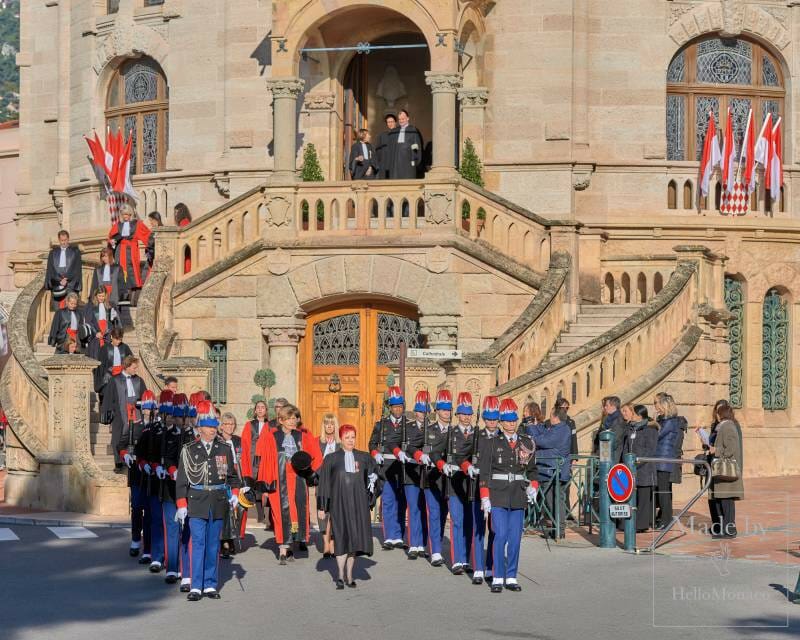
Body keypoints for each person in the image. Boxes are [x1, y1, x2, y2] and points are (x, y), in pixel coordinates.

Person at [175, 400, 240, 601]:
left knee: (213, 545)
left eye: (214, 426)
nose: (212, 430)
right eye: (208, 427)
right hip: (196, 500)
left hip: (218, 500)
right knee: (198, 544)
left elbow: (231, 476)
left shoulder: (224, 448)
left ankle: (210, 584)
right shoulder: (189, 449)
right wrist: (181, 505)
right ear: (199, 428)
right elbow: (182, 480)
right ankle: (196, 585)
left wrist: (236, 493)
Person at [478, 398, 538, 593]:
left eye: (514, 420)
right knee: (500, 535)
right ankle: (497, 576)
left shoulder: (526, 442)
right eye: (508, 420)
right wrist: (485, 497)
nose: (511, 424)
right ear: (501, 422)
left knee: (514, 538)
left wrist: (533, 486)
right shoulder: (491, 443)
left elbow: (533, 470)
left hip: (518, 495)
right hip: (498, 495)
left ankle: (511, 576)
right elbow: (484, 473)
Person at [257, 404, 323, 564]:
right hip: (278, 481)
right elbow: (264, 461)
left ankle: (291, 546)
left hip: (298, 480)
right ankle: (282, 548)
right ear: (280, 420)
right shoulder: (270, 436)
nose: (293, 421)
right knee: (280, 515)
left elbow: (315, 456)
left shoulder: (303, 436)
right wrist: (265, 485)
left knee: (297, 514)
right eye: (289, 418)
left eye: (295, 418)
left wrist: (310, 473)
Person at [316, 424, 380, 589]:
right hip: (339, 505)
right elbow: (323, 484)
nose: (351, 440)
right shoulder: (331, 459)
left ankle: (350, 575)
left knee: (355, 541)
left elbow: (374, 479)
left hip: (359, 505)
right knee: (341, 538)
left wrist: (371, 496)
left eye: (353, 437)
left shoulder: (364, 458)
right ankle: (339, 575)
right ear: (341, 439)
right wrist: (322, 507)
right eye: (347, 437)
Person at [410, 388, 451, 567]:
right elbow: (411, 447)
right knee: (433, 513)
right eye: (443, 409)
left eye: (449, 409)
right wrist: (420, 456)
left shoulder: (456, 431)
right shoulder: (428, 430)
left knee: (442, 514)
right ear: (437, 411)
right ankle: (435, 551)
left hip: (448, 480)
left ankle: (436, 543)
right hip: (430, 478)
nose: (446, 413)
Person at [135, 389, 173, 574]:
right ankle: (156, 555)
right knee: (155, 519)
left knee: (171, 522)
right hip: (154, 481)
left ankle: (170, 557)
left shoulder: (176, 433)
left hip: (171, 483)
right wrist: (146, 465)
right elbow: (140, 454)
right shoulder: (151, 430)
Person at [368, 386, 408, 550]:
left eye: (400, 406)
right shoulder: (381, 425)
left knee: (402, 502)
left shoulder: (408, 424)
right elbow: (371, 444)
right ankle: (389, 536)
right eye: (395, 406)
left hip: (403, 468)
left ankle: (399, 535)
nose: (398, 409)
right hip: (386, 467)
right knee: (388, 502)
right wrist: (375, 453)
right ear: (390, 408)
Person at [442, 391, 478, 575]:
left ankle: (467, 559)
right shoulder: (451, 433)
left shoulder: (478, 434)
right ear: (457, 415)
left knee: (469, 523)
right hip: (455, 484)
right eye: (462, 414)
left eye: (468, 414)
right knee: (457, 521)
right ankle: (457, 560)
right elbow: (439, 455)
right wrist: (443, 465)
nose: (466, 417)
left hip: (471, 485)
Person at [470, 395, 501, 585]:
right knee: (478, 530)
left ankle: (491, 566)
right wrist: (469, 466)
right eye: (488, 419)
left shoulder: (502, 437)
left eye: (494, 419)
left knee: (495, 530)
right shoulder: (477, 436)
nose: (491, 422)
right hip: (477, 488)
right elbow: (465, 457)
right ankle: (478, 569)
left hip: (497, 490)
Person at [529, 407, 572, 539]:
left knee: (556, 500)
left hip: (554, 470)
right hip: (549, 470)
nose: (549, 418)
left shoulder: (562, 430)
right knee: (550, 500)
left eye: (551, 416)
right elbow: (544, 433)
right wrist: (534, 426)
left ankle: (559, 530)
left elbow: (542, 441)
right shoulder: (556, 428)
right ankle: (555, 529)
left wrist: (531, 429)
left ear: (556, 417)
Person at [101, 355, 146, 473]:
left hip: (136, 413)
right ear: (126, 367)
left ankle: (134, 460)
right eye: (134, 367)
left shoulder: (139, 380)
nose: (136, 370)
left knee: (136, 437)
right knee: (118, 438)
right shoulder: (114, 380)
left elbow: (144, 396)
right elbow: (108, 398)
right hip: (119, 414)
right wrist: (107, 414)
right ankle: (119, 463)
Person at [127, 390, 156, 563]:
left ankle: (149, 545)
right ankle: (136, 539)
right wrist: (125, 455)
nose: (148, 411)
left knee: (151, 511)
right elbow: (122, 444)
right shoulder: (134, 426)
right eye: (145, 408)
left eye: (150, 408)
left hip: (152, 475)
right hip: (137, 475)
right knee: (137, 508)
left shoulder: (156, 427)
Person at [707, 403, 743, 539]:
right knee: (720, 501)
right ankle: (724, 529)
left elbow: (731, 449)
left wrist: (716, 450)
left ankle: (729, 530)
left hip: (726, 471)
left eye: (717, 412)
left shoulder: (728, 427)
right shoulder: (721, 426)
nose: (715, 415)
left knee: (727, 502)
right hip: (720, 470)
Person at [402, 390, 430, 560]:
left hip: (426, 473)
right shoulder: (408, 428)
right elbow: (404, 447)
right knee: (413, 508)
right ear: (415, 411)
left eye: (424, 411)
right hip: (411, 472)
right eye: (419, 411)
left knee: (425, 509)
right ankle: (414, 543)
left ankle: (423, 544)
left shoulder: (431, 428)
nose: (422, 415)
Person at [621, 403, 659, 532]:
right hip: (631, 467)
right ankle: (628, 522)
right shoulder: (631, 429)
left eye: (634, 414)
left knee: (643, 498)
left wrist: (638, 461)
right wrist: (626, 460)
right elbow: (626, 446)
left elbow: (651, 449)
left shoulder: (650, 429)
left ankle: (642, 525)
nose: (632, 415)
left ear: (640, 415)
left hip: (645, 468)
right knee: (632, 497)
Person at [653, 393, 687, 529]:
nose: (655, 407)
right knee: (662, 490)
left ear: (664, 405)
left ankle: (666, 520)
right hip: (659, 459)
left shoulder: (670, 422)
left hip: (664, 460)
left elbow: (658, 435)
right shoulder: (664, 420)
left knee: (663, 491)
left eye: (657, 404)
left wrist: (654, 423)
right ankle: (662, 518)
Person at [108, 203, 151, 298]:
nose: (125, 216)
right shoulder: (118, 225)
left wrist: (152, 245)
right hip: (120, 251)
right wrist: (111, 241)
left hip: (132, 251)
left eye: (127, 214)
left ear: (130, 214)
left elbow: (147, 235)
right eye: (123, 214)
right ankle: (123, 292)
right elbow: (110, 236)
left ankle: (134, 290)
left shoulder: (137, 224)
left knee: (133, 269)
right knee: (121, 269)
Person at [240, 399, 270, 529]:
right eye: (258, 407)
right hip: (254, 458)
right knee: (256, 485)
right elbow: (245, 442)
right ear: (255, 410)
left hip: (266, 458)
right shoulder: (249, 425)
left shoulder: (271, 425)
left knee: (266, 486)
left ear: (266, 410)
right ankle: (260, 514)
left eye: (262, 407)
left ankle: (268, 515)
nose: (260, 409)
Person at [219, 411, 243, 559]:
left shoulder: (238, 440)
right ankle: (225, 542)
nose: (230, 426)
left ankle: (232, 536)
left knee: (238, 510)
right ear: (221, 426)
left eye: (232, 424)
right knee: (225, 512)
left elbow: (242, 459)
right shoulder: (219, 440)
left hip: (238, 477)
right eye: (227, 424)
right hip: (224, 478)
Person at [318, 413, 341, 558]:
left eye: (332, 424)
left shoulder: (340, 444)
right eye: (327, 423)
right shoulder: (317, 442)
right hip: (322, 482)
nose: (329, 426)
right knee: (323, 514)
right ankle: (325, 543)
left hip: (337, 483)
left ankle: (332, 543)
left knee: (335, 514)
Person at [45, 230, 82, 310]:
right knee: (57, 310)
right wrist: (59, 280)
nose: (63, 242)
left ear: (68, 239)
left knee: (71, 309)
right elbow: (51, 270)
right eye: (62, 240)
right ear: (59, 240)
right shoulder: (52, 253)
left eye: (65, 240)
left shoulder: (75, 252)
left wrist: (66, 278)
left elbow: (77, 269)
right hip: (57, 285)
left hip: (70, 285)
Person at [91, 327, 132, 396]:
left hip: (122, 375)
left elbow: (130, 360)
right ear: (111, 337)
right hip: (109, 375)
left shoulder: (125, 347)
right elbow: (101, 366)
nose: (118, 342)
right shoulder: (105, 348)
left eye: (120, 339)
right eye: (117, 339)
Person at [81, 287, 119, 353]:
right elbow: (88, 321)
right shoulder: (90, 306)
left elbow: (113, 322)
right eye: (99, 296)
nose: (101, 298)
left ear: (106, 296)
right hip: (95, 334)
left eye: (103, 296)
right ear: (96, 296)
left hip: (107, 334)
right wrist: (96, 332)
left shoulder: (110, 306)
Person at [389, 109, 423, 180]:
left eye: (403, 119)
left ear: (408, 118)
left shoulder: (413, 130)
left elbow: (416, 146)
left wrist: (415, 159)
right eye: (399, 119)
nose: (401, 121)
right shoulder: (395, 131)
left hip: (408, 161)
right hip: (396, 162)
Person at [593, 396, 626, 464]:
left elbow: (616, 440)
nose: (605, 407)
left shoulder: (619, 420)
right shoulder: (607, 419)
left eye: (607, 405)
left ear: (613, 406)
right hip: (604, 454)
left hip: (613, 456)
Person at [375, 113, 398, 179]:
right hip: (385, 166)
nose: (390, 124)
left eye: (391, 122)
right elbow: (378, 150)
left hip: (396, 166)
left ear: (395, 122)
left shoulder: (400, 134)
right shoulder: (382, 135)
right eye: (388, 122)